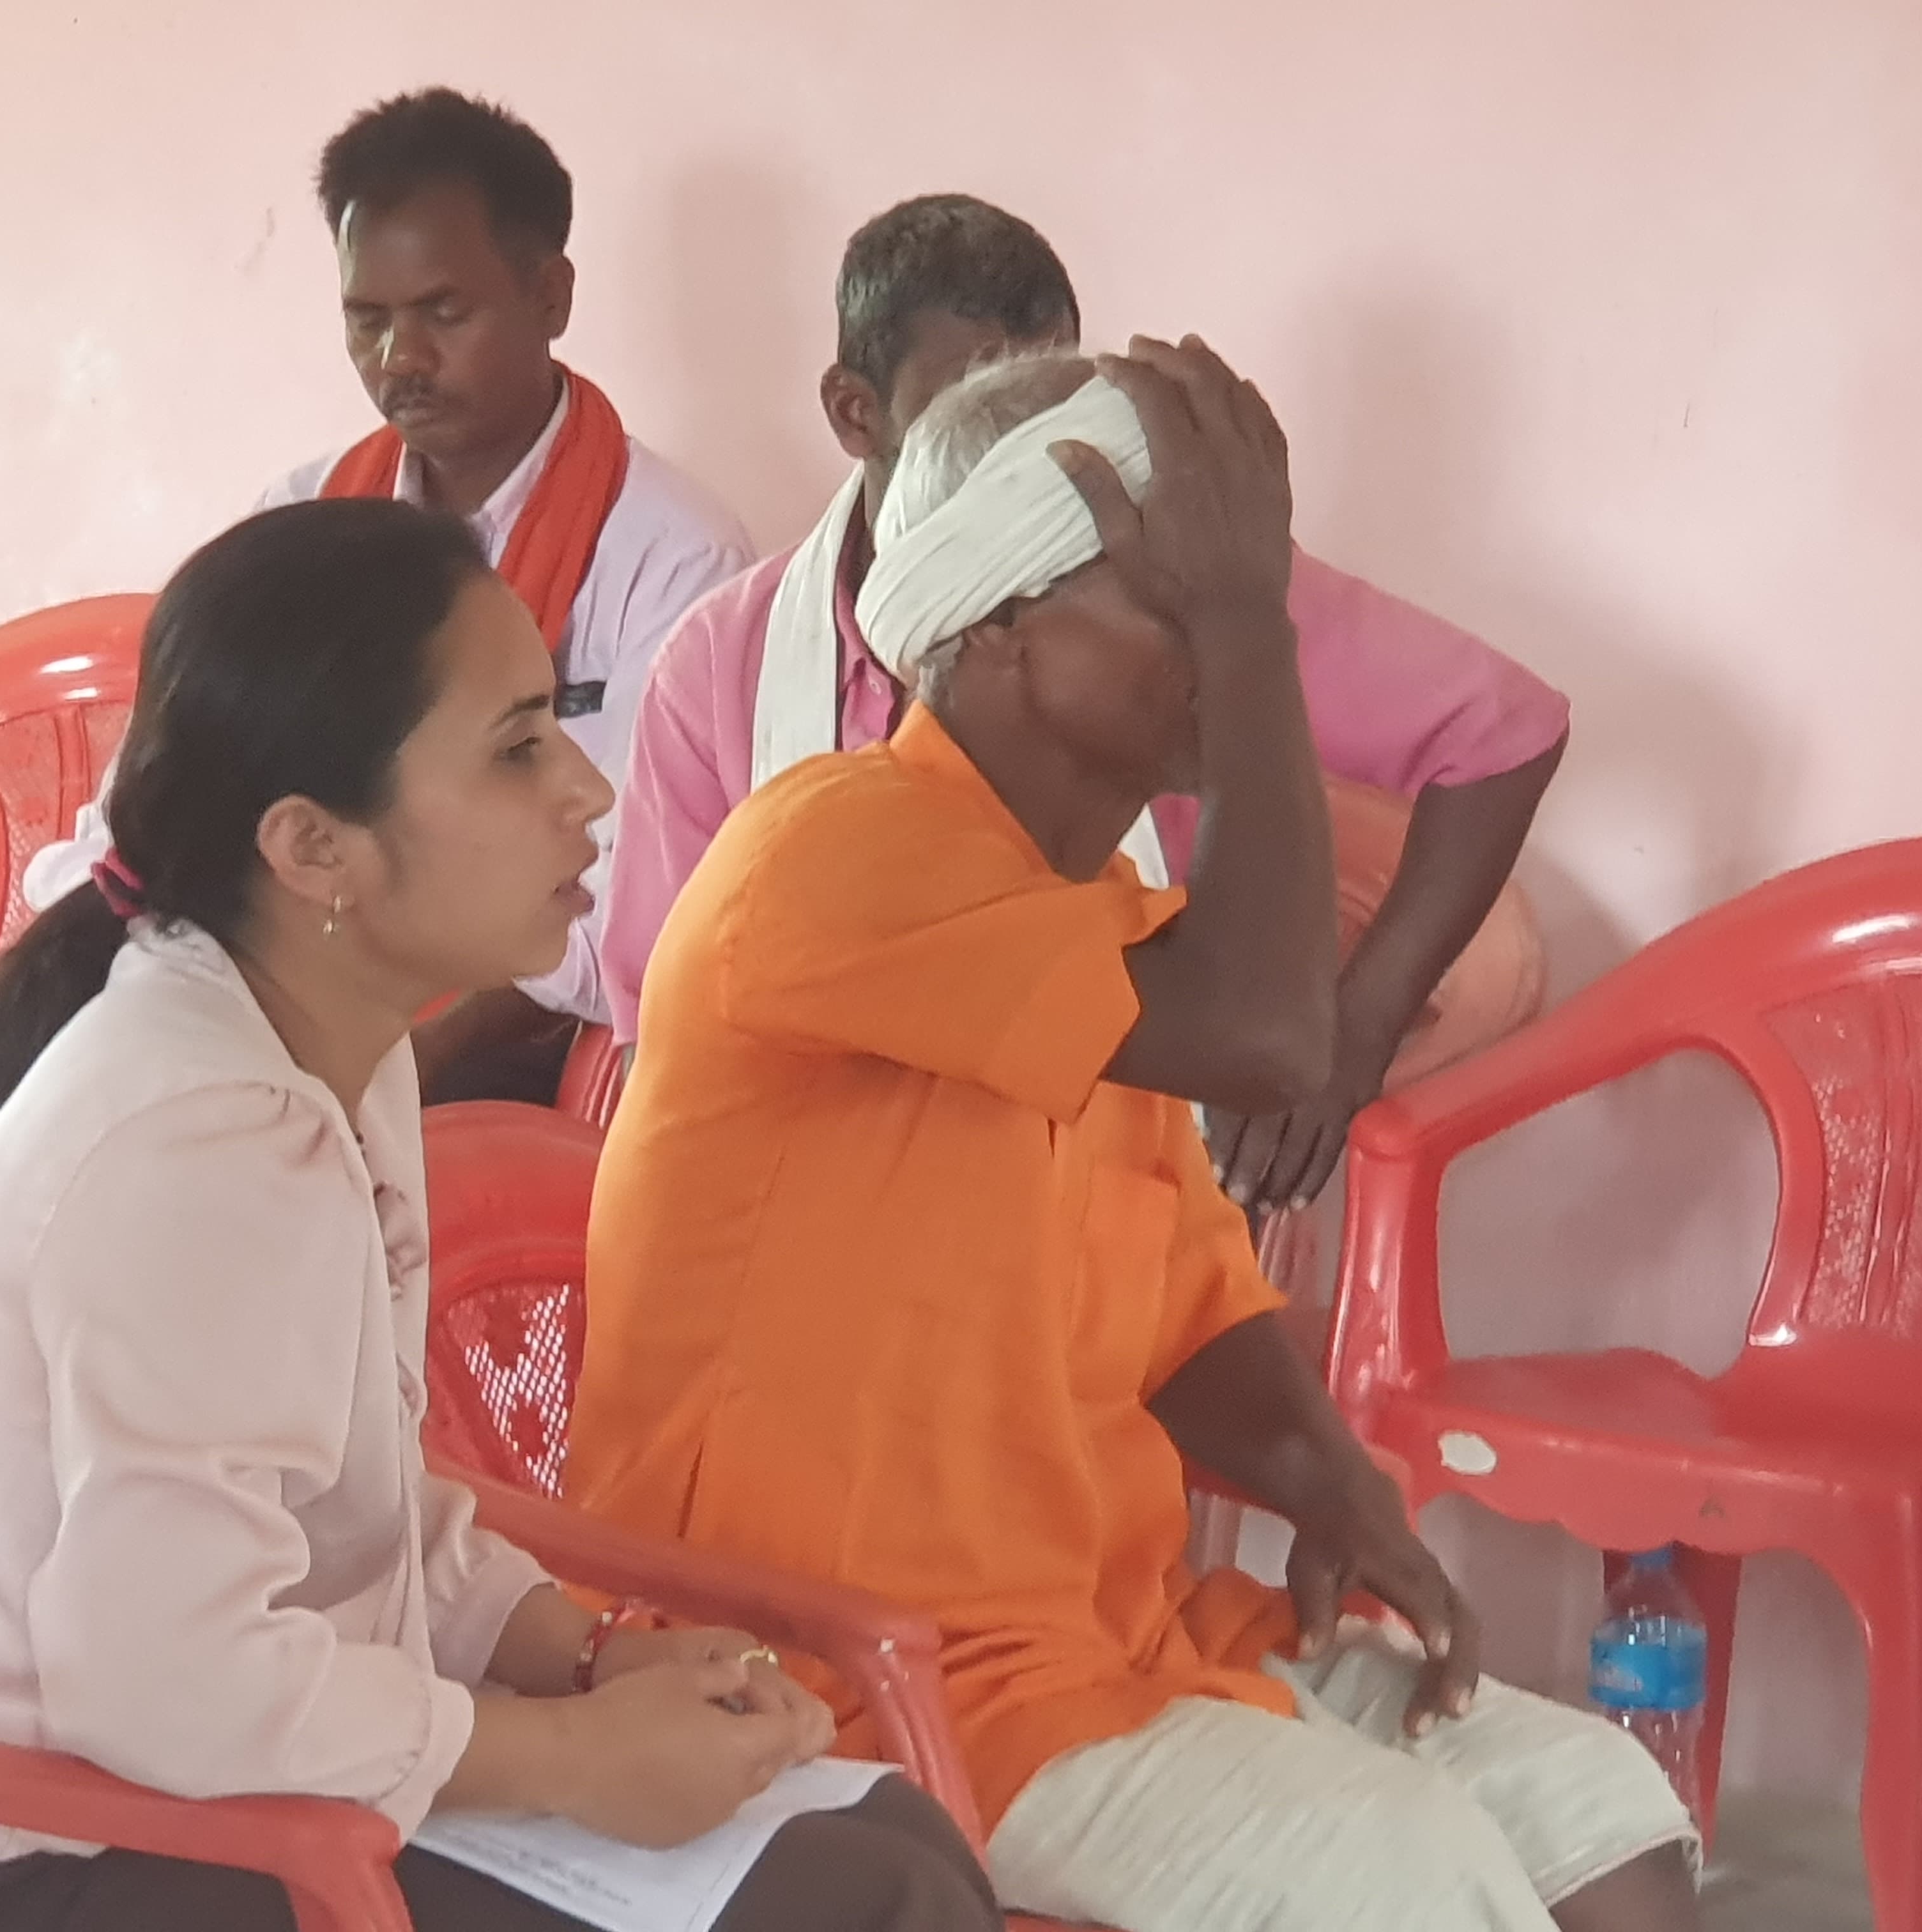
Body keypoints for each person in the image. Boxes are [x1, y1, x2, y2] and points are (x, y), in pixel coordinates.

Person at [0, 500, 996, 1932]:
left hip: (132, 1794)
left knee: (886, 1841)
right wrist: (577, 1759)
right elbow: (168, 1682)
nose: (588, 789)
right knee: (847, 1895)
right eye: (515, 749)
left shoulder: (323, 1048)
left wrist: (581, 1657)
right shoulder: (200, 1138)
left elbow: (350, 1514)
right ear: (316, 849)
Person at [569, 342, 1697, 1932]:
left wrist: (1337, 1491)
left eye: (1242, 600)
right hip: (840, 1673)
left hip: (1110, 1635)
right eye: (1180, 600)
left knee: (1599, 1812)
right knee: (1403, 1873)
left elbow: (1186, 1307)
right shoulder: (828, 855)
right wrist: (1249, 631)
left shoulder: (1099, 916)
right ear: (1001, 627)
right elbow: (1271, 1035)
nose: (1243, 641)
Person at [601, 194, 1566, 1212]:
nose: (1034, 457)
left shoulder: (1149, 617)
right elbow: (654, 1036)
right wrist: (1243, 629)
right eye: (981, 409)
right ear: (996, 623)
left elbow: (1503, 731)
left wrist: (1357, 1032)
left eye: (1055, 403)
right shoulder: (814, 814)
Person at [23, 88, 754, 1104]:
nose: (400, 360)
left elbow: (616, 915)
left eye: (444, 314)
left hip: (487, 1033)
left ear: (550, 296)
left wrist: (375, 1056)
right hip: (262, 995)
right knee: (11, 1081)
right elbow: (150, 813)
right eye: (367, 321)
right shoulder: (302, 514)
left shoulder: (672, 558)